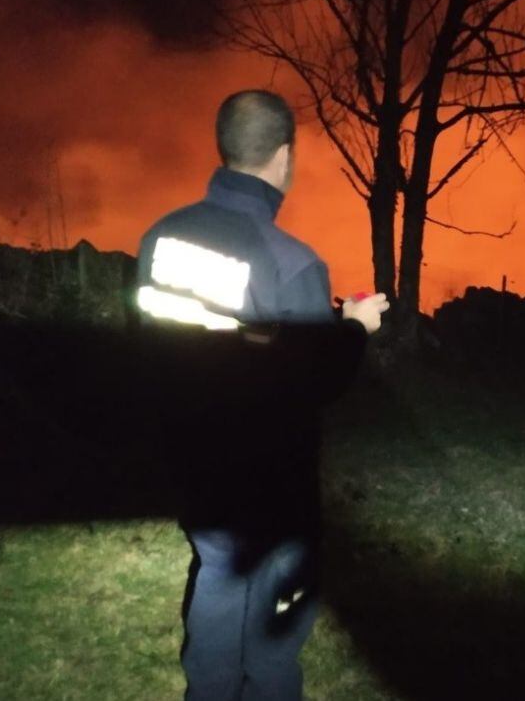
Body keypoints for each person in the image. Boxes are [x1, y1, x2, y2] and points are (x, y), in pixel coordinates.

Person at [134, 89, 389, 700]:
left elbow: (158, 343)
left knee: (219, 572)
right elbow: (316, 380)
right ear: (284, 156)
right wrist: (356, 327)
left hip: (193, 457)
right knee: (278, 607)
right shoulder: (292, 262)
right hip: (271, 481)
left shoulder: (160, 237)